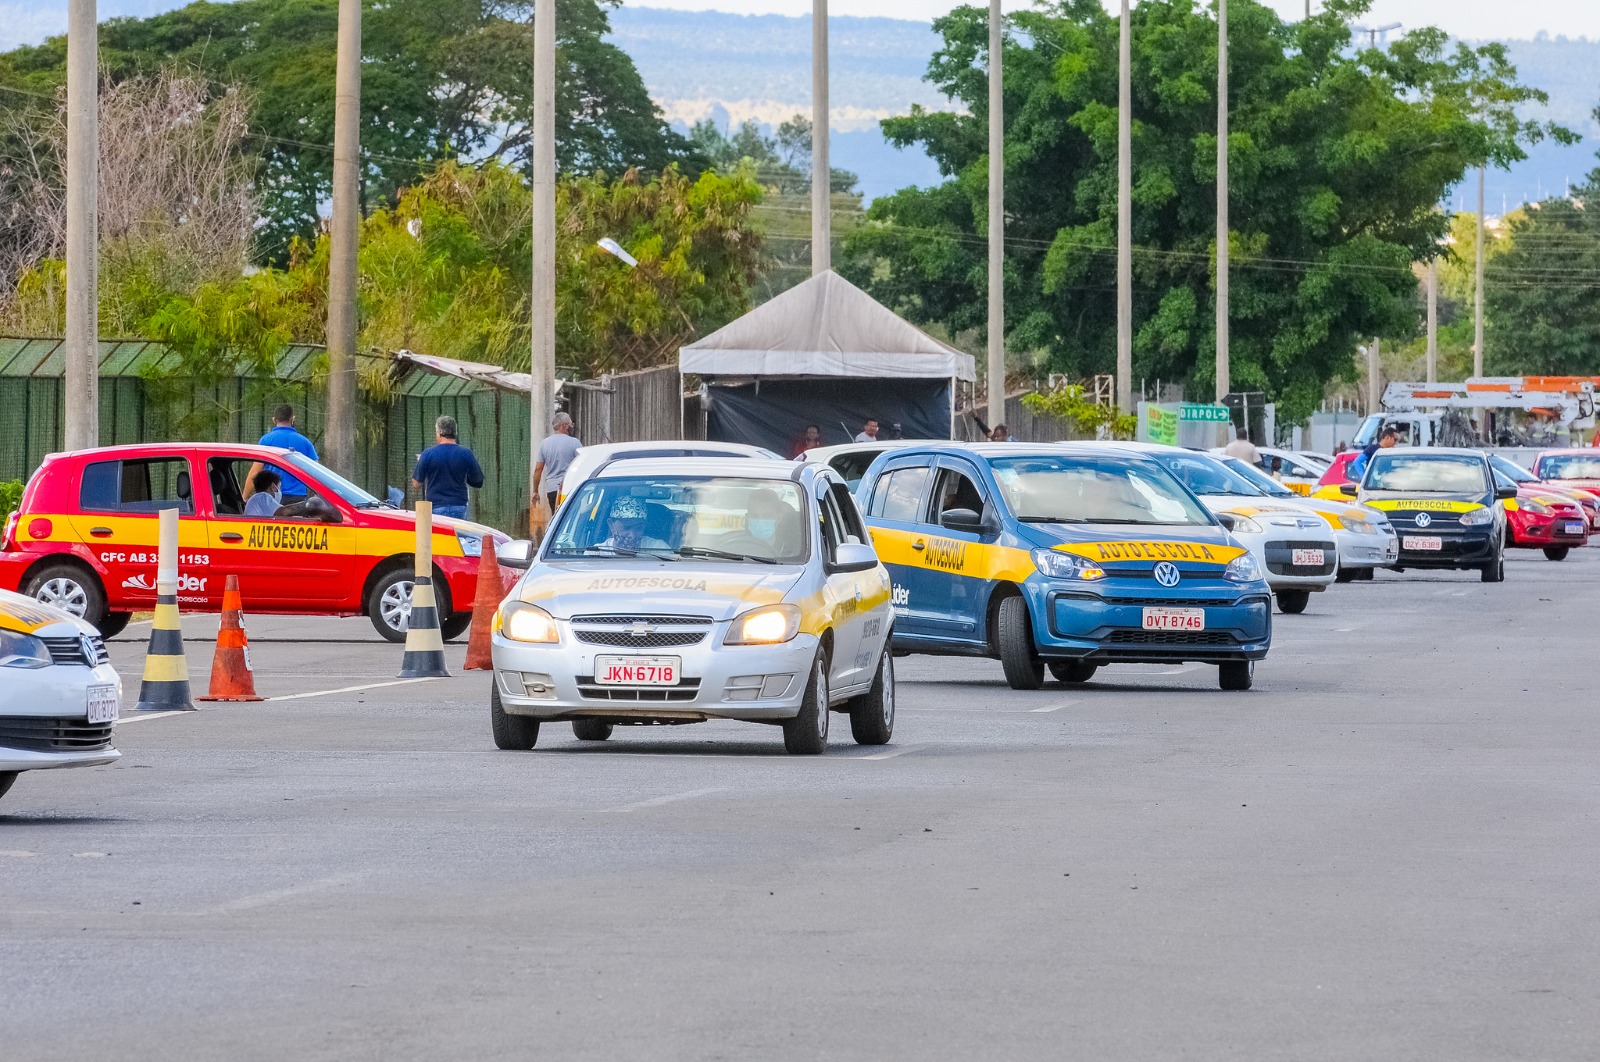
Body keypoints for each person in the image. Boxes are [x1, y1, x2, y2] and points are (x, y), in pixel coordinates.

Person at [410, 415, 484, 520]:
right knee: (458, 536)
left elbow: (416, 483)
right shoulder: (466, 453)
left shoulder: (428, 454)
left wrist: (429, 473)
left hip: (436, 506)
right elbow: (478, 481)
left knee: (439, 536)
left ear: (440, 432)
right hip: (460, 506)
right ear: (455, 432)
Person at [245, 404, 318, 504]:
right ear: (292, 419)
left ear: (274, 420)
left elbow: (255, 472)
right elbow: (316, 473)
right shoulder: (305, 442)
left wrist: (244, 496)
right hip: (297, 499)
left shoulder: (266, 440)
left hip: (271, 497)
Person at [534, 412, 582, 512]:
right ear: (564, 426)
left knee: (556, 516)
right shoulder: (574, 442)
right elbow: (582, 465)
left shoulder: (544, 443)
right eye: (570, 424)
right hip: (570, 487)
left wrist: (535, 491)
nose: (571, 427)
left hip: (552, 489)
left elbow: (538, 469)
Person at [595, 497, 668, 552]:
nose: (632, 535)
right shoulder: (596, 553)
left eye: (639, 528)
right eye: (626, 527)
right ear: (611, 524)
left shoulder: (658, 549)